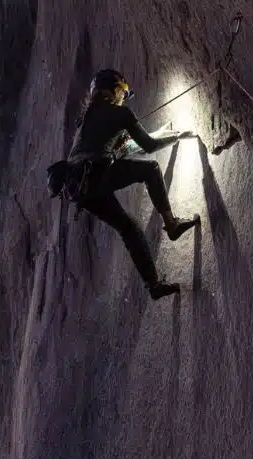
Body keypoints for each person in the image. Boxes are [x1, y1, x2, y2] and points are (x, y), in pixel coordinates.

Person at [66, 69, 200, 300]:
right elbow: (147, 146)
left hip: (78, 189)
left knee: (127, 228)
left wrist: (153, 135)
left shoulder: (84, 119)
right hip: (96, 174)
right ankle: (172, 225)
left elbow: (119, 148)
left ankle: (154, 285)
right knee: (150, 169)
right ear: (116, 90)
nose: (123, 97)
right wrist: (174, 136)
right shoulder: (120, 113)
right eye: (123, 93)